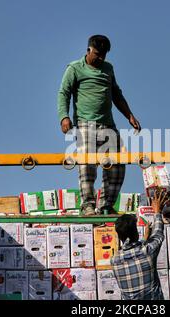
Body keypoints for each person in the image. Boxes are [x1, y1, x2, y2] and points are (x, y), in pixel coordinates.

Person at [57, 35, 141, 216]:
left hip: (108, 125)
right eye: (97, 54)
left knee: (118, 164)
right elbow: (64, 93)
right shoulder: (75, 68)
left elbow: (116, 94)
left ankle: (106, 205)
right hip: (85, 125)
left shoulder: (108, 69)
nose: (100, 58)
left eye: (103, 55)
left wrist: (129, 115)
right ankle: (88, 205)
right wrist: (64, 117)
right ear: (88, 50)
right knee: (87, 165)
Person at [111, 189, 170, 300]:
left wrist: (144, 238)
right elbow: (158, 234)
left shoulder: (114, 260)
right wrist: (157, 211)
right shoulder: (147, 252)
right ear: (136, 233)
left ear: (119, 236)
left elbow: (134, 255)